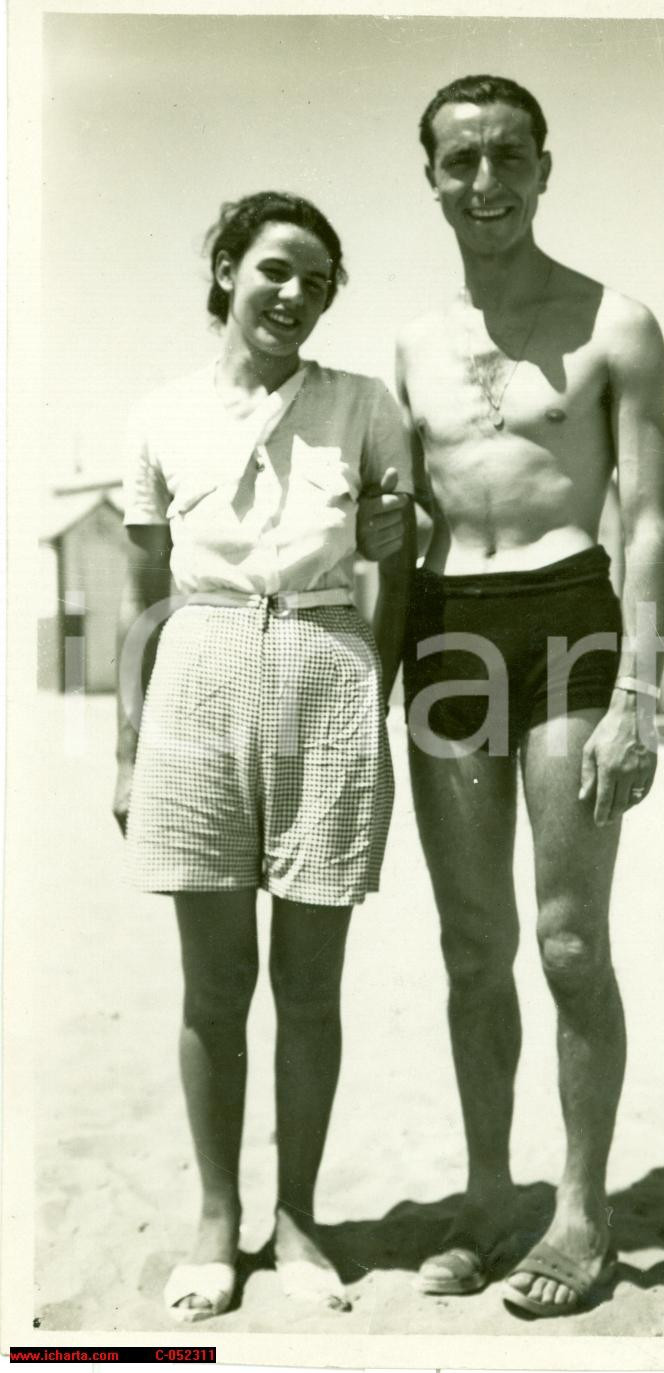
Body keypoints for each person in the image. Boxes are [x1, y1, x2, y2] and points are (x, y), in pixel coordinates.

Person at [369, 74, 664, 1318]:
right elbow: (395, 531)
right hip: (446, 630)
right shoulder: (409, 345)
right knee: (469, 945)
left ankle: (581, 1209)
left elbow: (647, 516)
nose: (485, 182)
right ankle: (491, 1192)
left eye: (508, 156)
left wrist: (638, 691)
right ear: (431, 178)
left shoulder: (616, 322)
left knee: (565, 940)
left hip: (568, 620)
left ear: (545, 168)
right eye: (461, 161)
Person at [113, 191, 414, 1323]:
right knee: (212, 985)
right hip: (196, 679)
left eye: (318, 281)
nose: (295, 295)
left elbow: (393, 568)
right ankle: (214, 1220)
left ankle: (296, 1216)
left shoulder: (364, 406)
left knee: (310, 987)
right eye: (275, 269)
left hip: (328, 675)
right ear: (227, 268)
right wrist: (127, 751)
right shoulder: (159, 412)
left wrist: (373, 694)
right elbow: (141, 601)